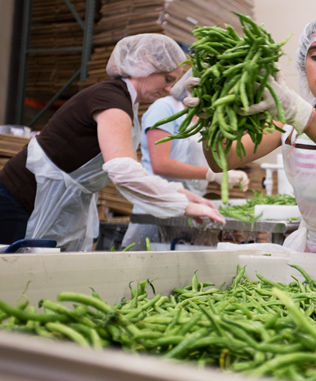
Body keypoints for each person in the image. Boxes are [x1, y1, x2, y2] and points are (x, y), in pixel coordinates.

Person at [189, 12, 316, 259]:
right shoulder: (287, 122)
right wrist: (211, 118)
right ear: (303, 64)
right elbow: (222, 161)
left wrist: (301, 115)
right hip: (311, 256)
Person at [0, 34, 225, 251]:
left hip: (47, 199)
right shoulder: (111, 101)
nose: (168, 89)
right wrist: (183, 206)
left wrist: (183, 194)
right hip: (20, 198)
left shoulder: (124, 103)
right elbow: (124, 172)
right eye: (167, 79)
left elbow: (131, 168)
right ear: (145, 64)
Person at [121, 70, 249, 249]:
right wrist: (211, 175)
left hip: (192, 206)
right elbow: (160, 164)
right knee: (146, 262)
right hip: (158, 207)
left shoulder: (207, 117)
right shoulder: (165, 108)